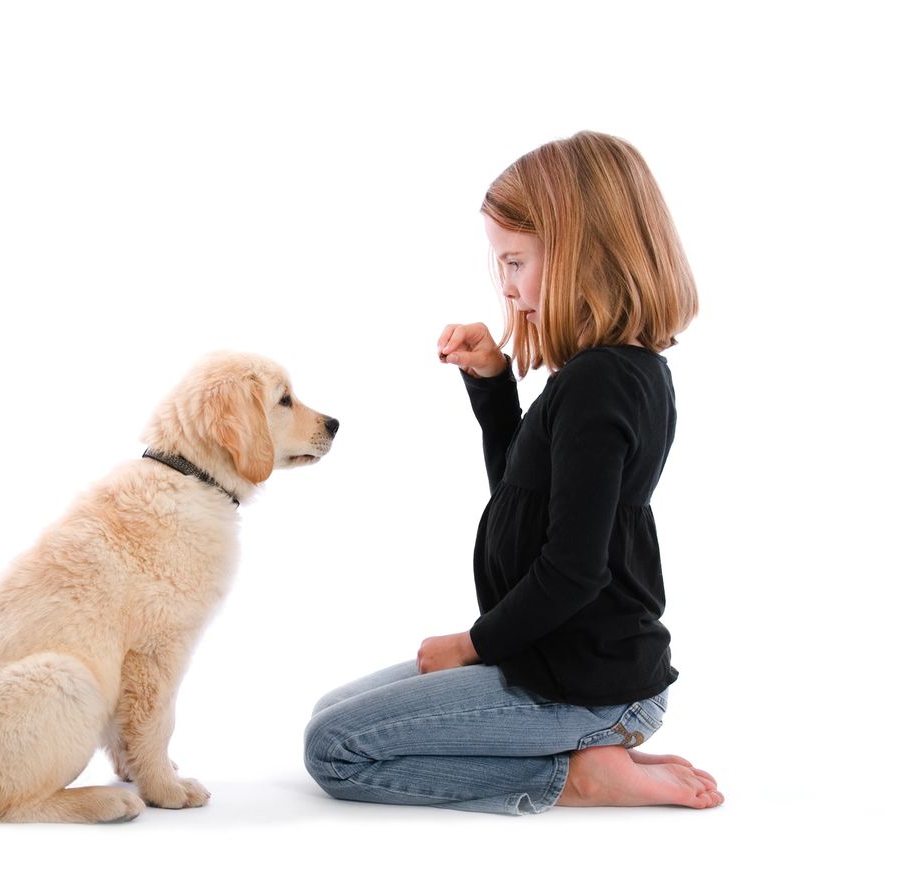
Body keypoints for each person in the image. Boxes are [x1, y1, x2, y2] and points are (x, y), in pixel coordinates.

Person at [304, 131, 722, 814]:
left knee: (335, 748)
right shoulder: (608, 376)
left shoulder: (599, 383)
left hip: (579, 680)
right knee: (334, 710)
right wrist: (495, 385)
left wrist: (471, 646)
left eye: (516, 261)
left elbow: (573, 570)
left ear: (587, 253)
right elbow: (519, 505)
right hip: (556, 665)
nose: (507, 286)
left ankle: (580, 773)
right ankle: (598, 747)